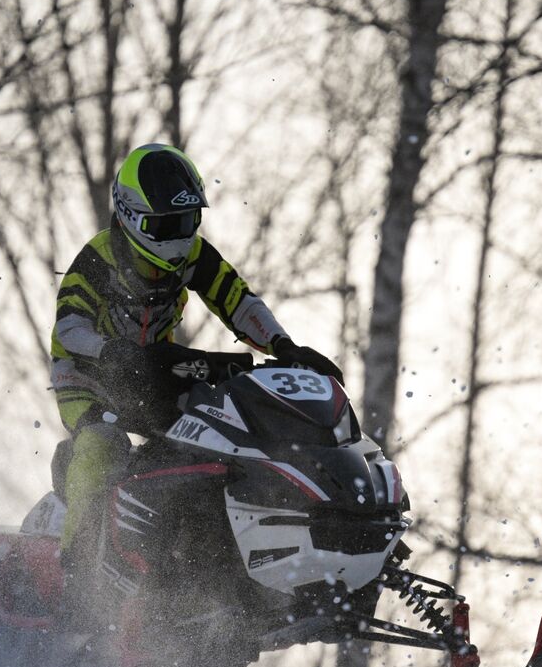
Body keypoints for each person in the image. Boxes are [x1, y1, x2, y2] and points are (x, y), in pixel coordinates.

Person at [49, 143, 342, 616]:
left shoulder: (194, 257)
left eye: (187, 224)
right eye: (165, 227)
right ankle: (76, 571)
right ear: (130, 217)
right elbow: (69, 327)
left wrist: (284, 347)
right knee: (103, 442)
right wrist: (110, 351)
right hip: (87, 373)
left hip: (150, 366)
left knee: (208, 434)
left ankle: (200, 555)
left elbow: (237, 301)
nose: (178, 239)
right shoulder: (99, 259)